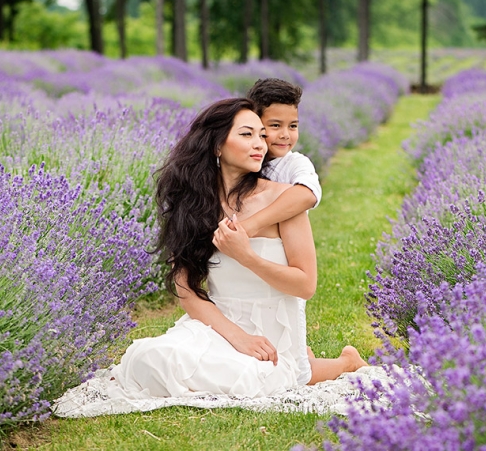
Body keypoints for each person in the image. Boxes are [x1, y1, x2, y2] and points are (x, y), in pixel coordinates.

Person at [53, 98, 366, 415]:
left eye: (261, 135)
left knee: (245, 379)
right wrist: (238, 338)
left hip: (270, 331)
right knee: (148, 359)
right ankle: (308, 364)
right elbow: (186, 290)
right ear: (217, 146)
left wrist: (247, 256)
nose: (260, 144)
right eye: (247, 135)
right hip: (216, 324)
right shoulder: (192, 204)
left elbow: (305, 285)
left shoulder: (282, 199)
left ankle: (342, 363)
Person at [240, 78, 321, 238]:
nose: (285, 135)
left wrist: (251, 225)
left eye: (293, 126)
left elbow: (308, 194)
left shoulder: (294, 163)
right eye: (275, 125)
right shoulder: (242, 158)